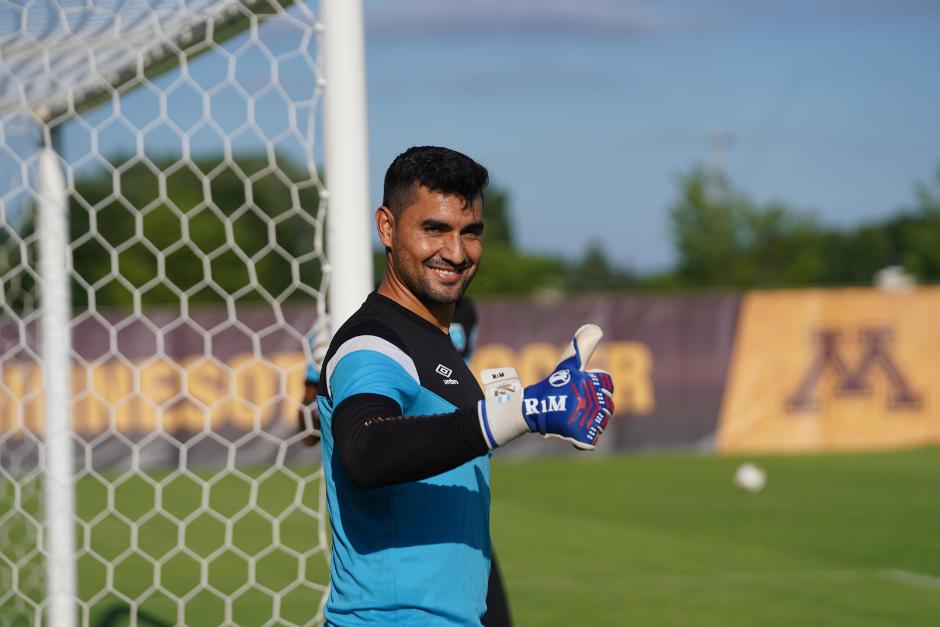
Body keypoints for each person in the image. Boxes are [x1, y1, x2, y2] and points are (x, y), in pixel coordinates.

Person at [316, 146, 614, 625]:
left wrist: (525, 408)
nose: (456, 252)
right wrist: (522, 413)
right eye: (434, 229)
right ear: (387, 228)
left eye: (470, 232)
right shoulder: (373, 342)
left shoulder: (434, 342)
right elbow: (364, 449)